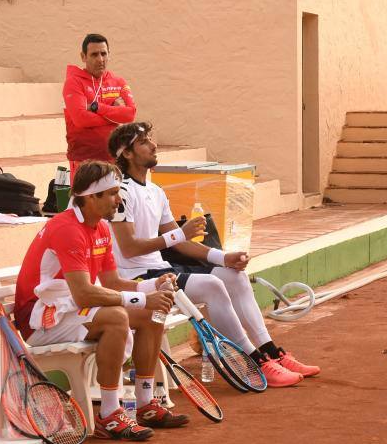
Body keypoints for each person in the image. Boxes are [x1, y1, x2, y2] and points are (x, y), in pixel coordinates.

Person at [106, 122, 320, 388]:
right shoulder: (121, 193)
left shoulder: (156, 192)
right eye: (144, 142)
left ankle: (271, 351)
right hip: (136, 276)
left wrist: (223, 257)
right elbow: (129, 247)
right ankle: (253, 362)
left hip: (161, 268)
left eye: (151, 139)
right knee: (212, 285)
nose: (153, 145)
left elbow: (180, 243)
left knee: (232, 275)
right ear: (127, 153)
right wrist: (178, 234)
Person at [14, 161, 189, 441]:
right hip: (42, 319)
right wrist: (142, 297)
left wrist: (151, 286)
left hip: (70, 309)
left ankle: (145, 404)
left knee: (150, 314)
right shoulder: (67, 229)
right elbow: (84, 293)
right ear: (89, 197)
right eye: (111, 193)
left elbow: (112, 284)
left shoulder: (102, 228)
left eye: (118, 192)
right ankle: (110, 414)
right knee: (118, 316)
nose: (118, 199)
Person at [63, 34, 136, 182]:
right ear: (83, 56)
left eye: (104, 53)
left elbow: (130, 114)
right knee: (86, 204)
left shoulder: (118, 82)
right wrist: (114, 115)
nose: (100, 59)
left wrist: (97, 108)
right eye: (94, 54)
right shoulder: (74, 82)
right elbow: (80, 119)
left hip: (115, 160)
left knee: (114, 204)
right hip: (84, 161)